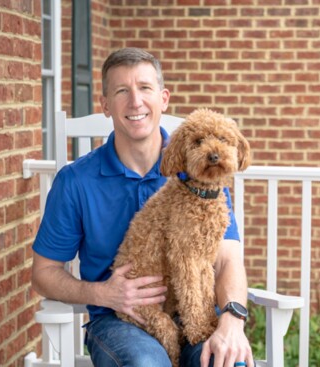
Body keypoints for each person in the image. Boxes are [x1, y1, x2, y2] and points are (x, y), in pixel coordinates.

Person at [31, 47, 254, 367]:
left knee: (229, 362)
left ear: (163, 98)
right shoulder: (75, 181)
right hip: (119, 319)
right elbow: (43, 274)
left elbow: (228, 260)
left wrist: (232, 320)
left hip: (198, 312)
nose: (135, 101)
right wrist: (101, 294)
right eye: (122, 90)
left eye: (145, 88)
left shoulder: (204, 175)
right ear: (105, 105)